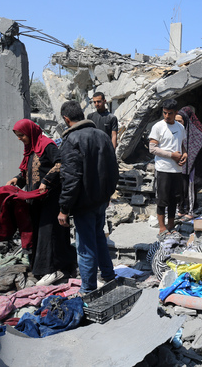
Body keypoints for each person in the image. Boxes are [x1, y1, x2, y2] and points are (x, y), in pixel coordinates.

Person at [57, 100, 119, 295]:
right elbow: (113, 170)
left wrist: (64, 208)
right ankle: (108, 275)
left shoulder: (71, 141)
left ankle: (88, 289)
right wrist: (108, 193)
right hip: (101, 199)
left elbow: (70, 179)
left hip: (84, 203)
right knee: (99, 236)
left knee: (85, 247)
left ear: (66, 119)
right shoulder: (102, 135)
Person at [6, 119, 76, 286]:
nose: (20, 139)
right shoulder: (30, 150)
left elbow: (60, 164)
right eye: (18, 136)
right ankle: (41, 269)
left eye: (21, 135)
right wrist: (17, 179)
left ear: (30, 132)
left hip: (50, 199)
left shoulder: (47, 145)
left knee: (49, 235)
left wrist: (46, 180)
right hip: (35, 201)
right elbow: (28, 172)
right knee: (38, 235)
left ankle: (54, 270)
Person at [149, 99, 187, 236]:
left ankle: (171, 224)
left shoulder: (181, 127)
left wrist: (185, 154)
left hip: (176, 170)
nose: (166, 116)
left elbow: (182, 145)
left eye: (170, 113)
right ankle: (162, 227)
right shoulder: (158, 127)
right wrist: (171, 155)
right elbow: (152, 148)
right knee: (162, 200)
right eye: (164, 113)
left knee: (174, 199)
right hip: (163, 169)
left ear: (176, 113)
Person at [175, 106, 202, 219]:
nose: (178, 123)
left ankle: (190, 211)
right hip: (179, 165)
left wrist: (193, 155)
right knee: (180, 188)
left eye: (180, 121)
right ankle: (180, 210)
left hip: (191, 166)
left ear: (186, 121)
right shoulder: (176, 131)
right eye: (176, 121)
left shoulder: (192, 132)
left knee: (189, 188)